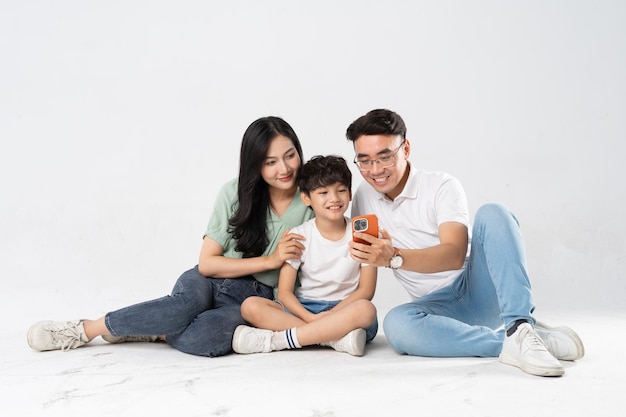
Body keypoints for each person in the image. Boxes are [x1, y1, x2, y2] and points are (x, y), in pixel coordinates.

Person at [27, 116, 315, 357]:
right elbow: (207, 264)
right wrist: (270, 260)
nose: (285, 169)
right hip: (209, 281)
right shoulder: (234, 192)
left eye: (290, 155)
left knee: (208, 336)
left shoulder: (315, 197)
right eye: (270, 162)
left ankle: (150, 328)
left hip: (256, 298)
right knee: (183, 307)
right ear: (255, 164)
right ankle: (87, 329)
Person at [345, 109, 585, 377]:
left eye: (385, 157)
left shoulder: (441, 186)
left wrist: (393, 257)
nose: (375, 170)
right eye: (364, 161)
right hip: (438, 309)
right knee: (397, 325)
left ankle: (518, 325)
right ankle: (518, 342)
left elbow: (454, 254)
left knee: (494, 213)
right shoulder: (363, 196)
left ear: (406, 148)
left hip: (480, 290)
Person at [231, 155, 378, 356]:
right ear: (306, 198)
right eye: (323, 192)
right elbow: (284, 293)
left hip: (346, 310)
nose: (334, 198)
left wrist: (333, 316)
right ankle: (332, 339)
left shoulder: (363, 234)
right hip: (305, 309)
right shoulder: (298, 235)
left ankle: (282, 340)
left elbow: (366, 291)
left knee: (366, 310)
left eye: (341, 190)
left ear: (350, 194)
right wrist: (311, 319)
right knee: (250, 306)